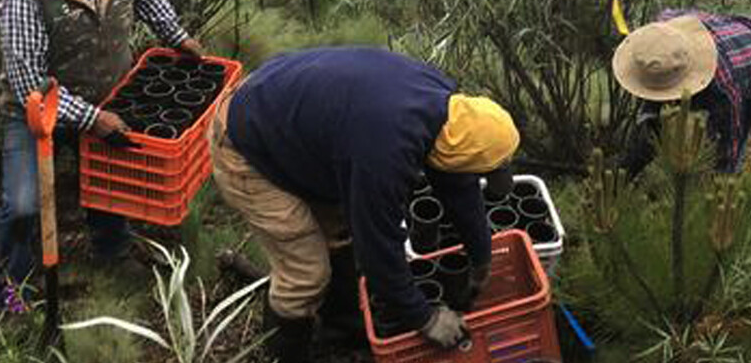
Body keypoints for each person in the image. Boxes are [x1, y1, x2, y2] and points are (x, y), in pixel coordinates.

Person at [208, 47, 519, 363]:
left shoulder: (447, 110)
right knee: (305, 276)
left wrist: (481, 256)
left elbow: (458, 186)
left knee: (338, 236)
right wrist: (426, 319)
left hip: (293, 122)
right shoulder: (385, 155)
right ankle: (284, 355)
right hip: (245, 144)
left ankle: (341, 334)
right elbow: (378, 247)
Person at [0, 0, 204, 305]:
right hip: (34, 114)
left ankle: (112, 253)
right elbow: (29, 84)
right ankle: (9, 286)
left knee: (110, 187)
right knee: (24, 205)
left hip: (106, 97)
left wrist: (178, 37)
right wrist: (92, 119)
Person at [613, 10, 751, 183]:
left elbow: (726, 157)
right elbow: (652, 126)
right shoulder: (658, 45)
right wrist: (618, 180)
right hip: (748, 69)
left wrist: (715, 194)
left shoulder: (721, 85)